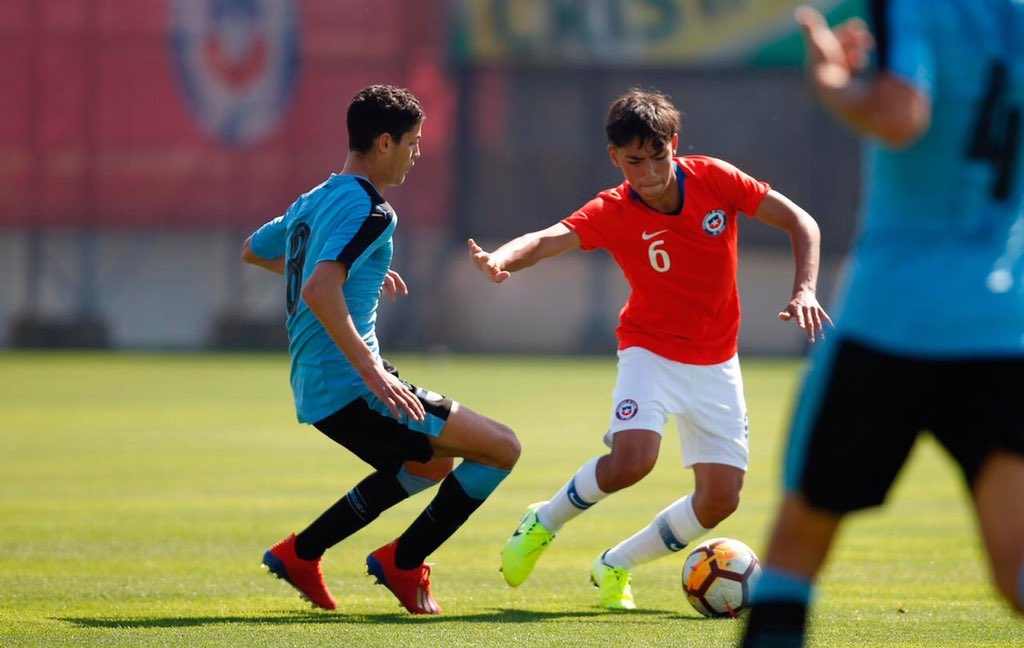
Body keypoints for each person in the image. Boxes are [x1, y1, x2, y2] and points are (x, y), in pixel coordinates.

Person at [468, 88, 831, 610]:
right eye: (635, 161)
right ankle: (543, 521)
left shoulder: (713, 178)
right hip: (650, 352)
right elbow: (549, 239)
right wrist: (502, 258)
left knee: (720, 500)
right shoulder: (612, 210)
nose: (650, 171)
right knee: (633, 460)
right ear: (615, 158)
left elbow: (802, 222)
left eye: (658, 156)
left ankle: (617, 564)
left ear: (674, 145)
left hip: (717, 361)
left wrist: (804, 289)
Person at [740, 4, 1024, 646]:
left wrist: (833, 83)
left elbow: (901, 117)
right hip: (1004, 325)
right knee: (1016, 568)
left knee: (794, 548)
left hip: (893, 321)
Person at [241, 84, 520, 615]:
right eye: (413, 143)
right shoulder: (373, 211)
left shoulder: (314, 200)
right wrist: (372, 370)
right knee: (502, 448)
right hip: (351, 383)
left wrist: (351, 272)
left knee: (432, 466)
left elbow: (255, 251)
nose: (417, 155)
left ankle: (303, 553)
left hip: (317, 385)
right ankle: (403, 563)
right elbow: (318, 288)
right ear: (385, 142)